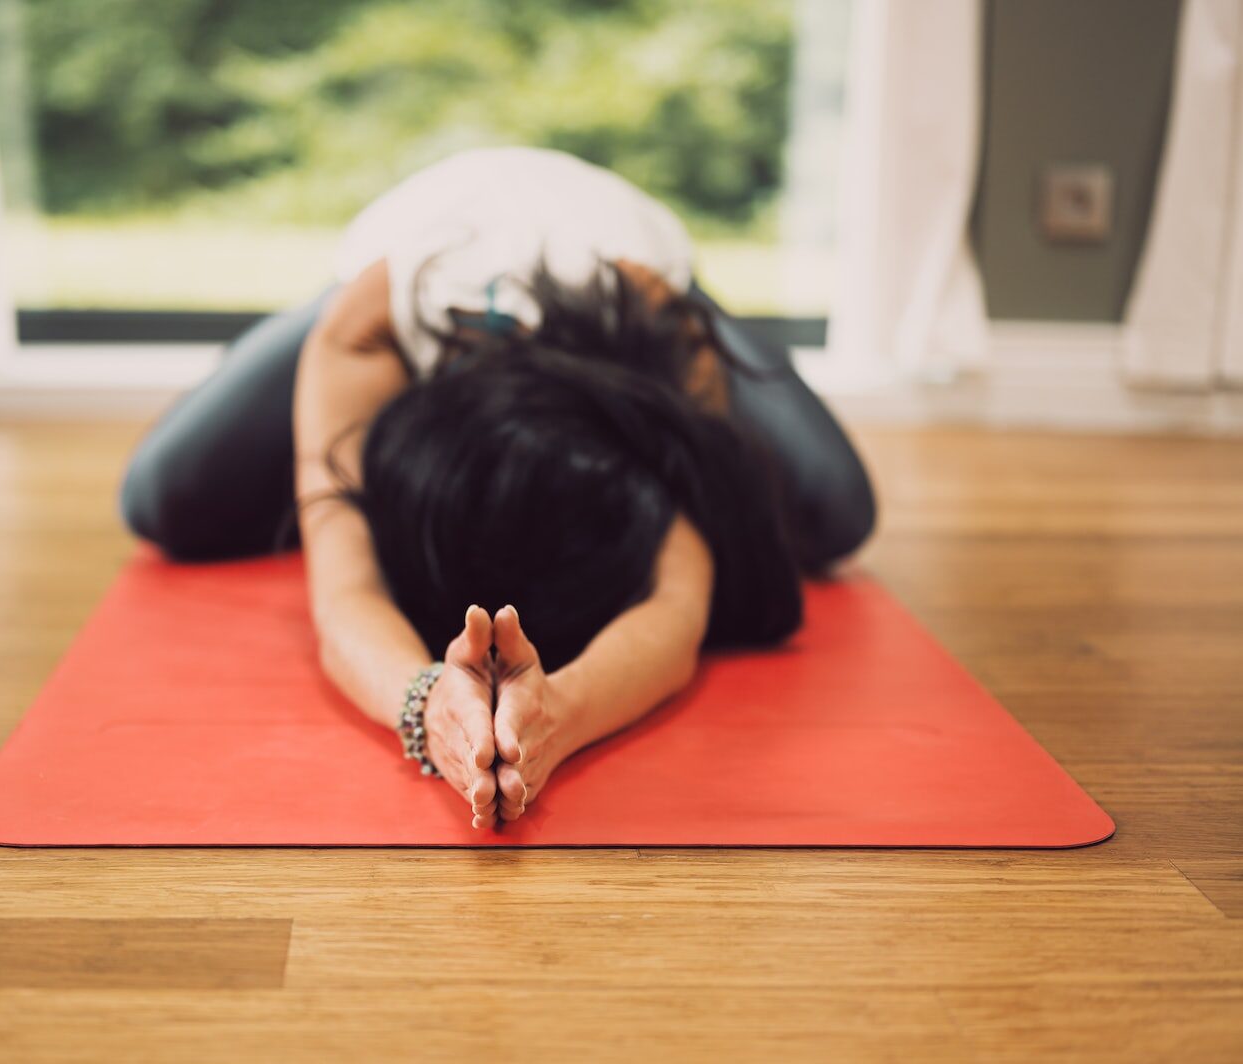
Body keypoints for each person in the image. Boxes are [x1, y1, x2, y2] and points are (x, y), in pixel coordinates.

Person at [119, 146, 875, 829]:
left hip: (628, 250)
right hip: (408, 237)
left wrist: (557, 718)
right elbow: (343, 591)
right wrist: (427, 707)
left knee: (835, 512)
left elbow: (680, 600)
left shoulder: (657, 338)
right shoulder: (367, 330)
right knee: (161, 499)